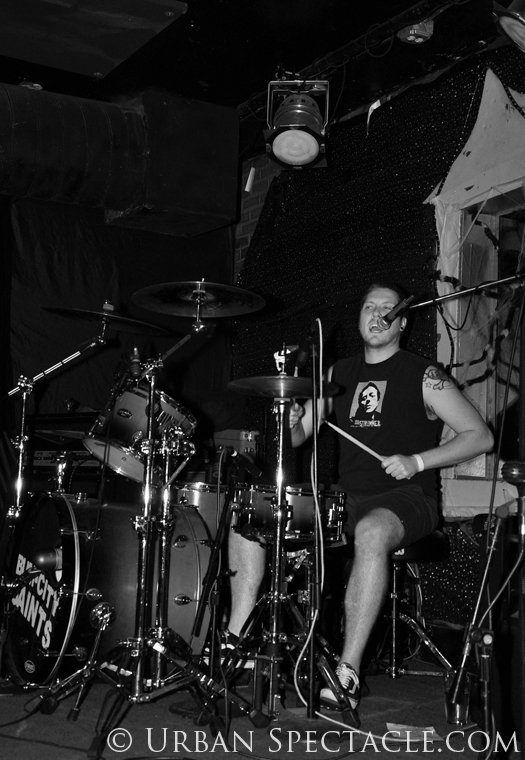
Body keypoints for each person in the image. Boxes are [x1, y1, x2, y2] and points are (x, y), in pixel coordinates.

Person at [226, 283, 493, 714]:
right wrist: (292, 420)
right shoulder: (338, 373)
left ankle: (346, 672)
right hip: (345, 498)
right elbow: (297, 437)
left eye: (388, 308)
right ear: (359, 319)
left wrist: (418, 461)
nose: (378, 314)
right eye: (370, 307)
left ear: (402, 323)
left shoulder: (424, 375)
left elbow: (480, 436)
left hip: (408, 497)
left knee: (371, 532)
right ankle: (236, 644)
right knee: (255, 518)